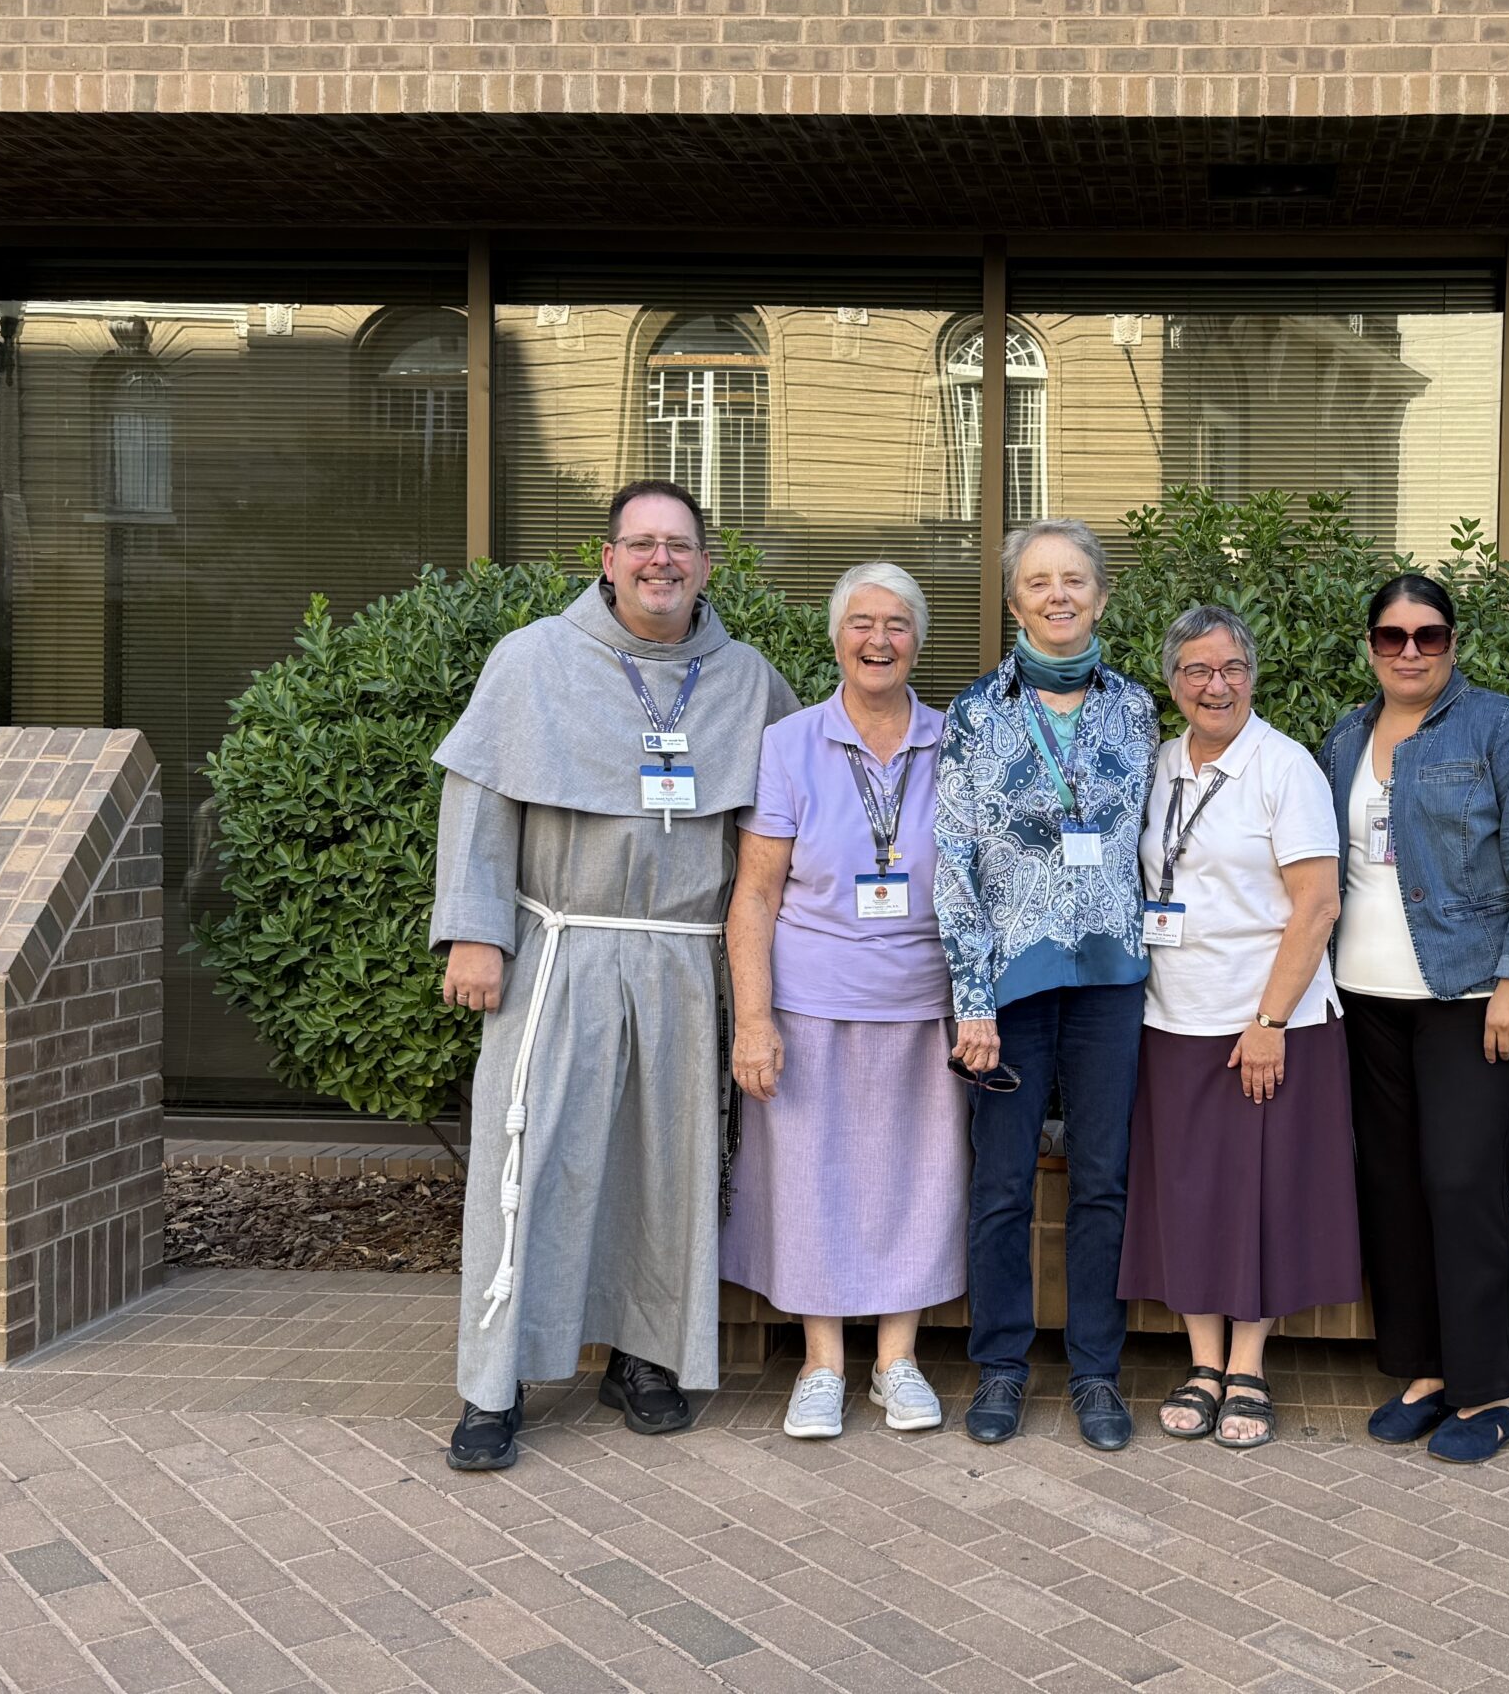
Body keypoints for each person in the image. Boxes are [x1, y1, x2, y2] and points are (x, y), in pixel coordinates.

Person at [432, 480, 800, 1471]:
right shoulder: (532, 660)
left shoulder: (748, 681)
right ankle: (495, 1381)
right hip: (562, 949)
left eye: (678, 545)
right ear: (607, 559)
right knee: (529, 1160)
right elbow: (478, 797)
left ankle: (644, 1357)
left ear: (706, 565)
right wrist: (473, 932)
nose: (659, 561)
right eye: (640, 543)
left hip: (684, 958)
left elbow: (781, 838)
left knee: (666, 1169)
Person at [1317, 574, 1509, 1466]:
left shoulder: (1498, 727)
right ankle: (1425, 1371)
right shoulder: (1345, 737)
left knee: (1463, 1185)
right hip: (1363, 999)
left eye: (1428, 635)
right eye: (1392, 636)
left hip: (1467, 997)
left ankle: (1491, 1388)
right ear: (1371, 646)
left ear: (1454, 642)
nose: (1410, 651)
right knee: (1392, 1188)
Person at [722, 563, 966, 1441]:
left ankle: (898, 1361)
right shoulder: (790, 744)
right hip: (810, 1002)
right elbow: (754, 894)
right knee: (808, 1180)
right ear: (836, 638)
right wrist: (753, 1019)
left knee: (919, 1181)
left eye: (897, 624)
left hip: (923, 1000)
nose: (879, 639)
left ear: (918, 642)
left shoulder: (956, 740)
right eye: (862, 622)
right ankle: (821, 1364)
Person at [935, 519, 1159, 1451]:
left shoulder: (1139, 709)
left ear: (1101, 598)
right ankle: (1000, 1366)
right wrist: (972, 997)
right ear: (1013, 601)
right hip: (1010, 990)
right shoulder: (973, 713)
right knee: (1001, 1183)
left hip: (1110, 981)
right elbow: (953, 861)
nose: (1057, 594)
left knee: (1104, 1180)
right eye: (1038, 581)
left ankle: (1097, 1372)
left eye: (1074, 579)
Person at [1117, 605, 1360, 1450]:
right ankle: (1202, 1361)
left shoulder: (1284, 766)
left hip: (1267, 1018)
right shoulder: (1157, 764)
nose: (1214, 685)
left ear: (1252, 676)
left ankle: (1248, 1365)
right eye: (1196, 669)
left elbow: (1318, 904)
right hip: (1171, 1014)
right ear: (1172, 682)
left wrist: (1269, 1020)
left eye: (1230, 668)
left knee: (1263, 1194)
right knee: (1186, 1194)